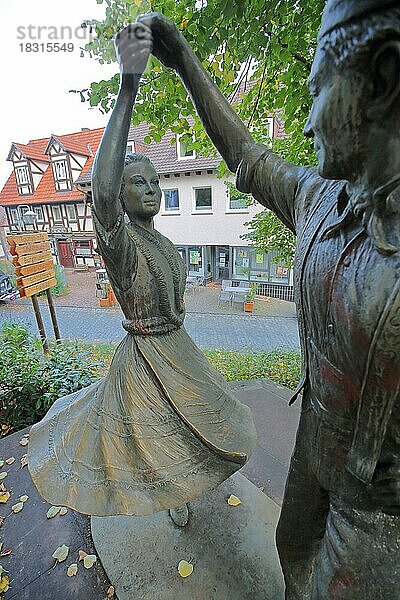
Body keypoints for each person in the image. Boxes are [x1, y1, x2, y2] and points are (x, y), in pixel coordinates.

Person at [139, 2, 400, 597]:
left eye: (318, 92)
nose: (307, 122)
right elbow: (249, 161)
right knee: (291, 548)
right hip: (316, 445)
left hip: (378, 519)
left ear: (383, 78)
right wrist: (183, 62)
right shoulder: (321, 200)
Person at [27, 22, 257, 527]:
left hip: (180, 349)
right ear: (123, 195)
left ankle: (187, 489)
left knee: (199, 427)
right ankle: (172, 499)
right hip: (146, 359)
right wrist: (127, 89)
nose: (150, 188)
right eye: (138, 182)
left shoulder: (168, 244)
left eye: (155, 181)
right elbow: (102, 193)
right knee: (155, 442)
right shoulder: (122, 245)